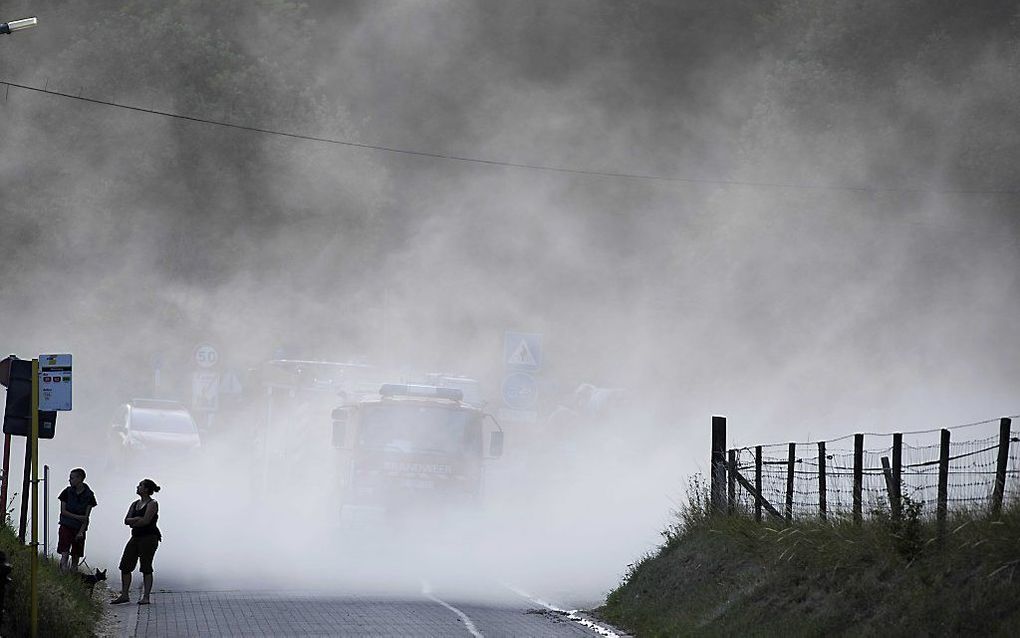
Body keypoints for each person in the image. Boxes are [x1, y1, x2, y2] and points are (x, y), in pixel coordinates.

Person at [110, 478, 161, 605]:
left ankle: (146, 596)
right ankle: (125, 594)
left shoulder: (152, 503)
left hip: (149, 537)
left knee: (146, 567)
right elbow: (126, 520)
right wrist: (137, 519)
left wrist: (136, 520)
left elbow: (146, 521)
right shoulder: (135, 504)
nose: (137, 487)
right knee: (125, 565)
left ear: (146, 489)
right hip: (136, 536)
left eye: (140, 486)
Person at [57, 468, 97, 573]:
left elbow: (87, 517)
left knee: (76, 554)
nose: (69, 480)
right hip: (66, 525)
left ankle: (73, 574)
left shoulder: (89, 495)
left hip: (79, 528)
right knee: (64, 552)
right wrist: (78, 517)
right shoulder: (67, 492)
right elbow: (63, 511)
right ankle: (63, 573)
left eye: (72, 478)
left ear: (80, 479)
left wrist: (81, 532)